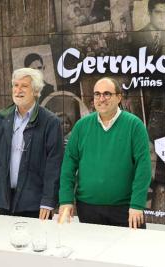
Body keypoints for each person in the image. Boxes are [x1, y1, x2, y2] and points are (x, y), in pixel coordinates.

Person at [58, 77, 151, 229]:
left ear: (119, 97)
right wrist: (66, 200)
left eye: (107, 94)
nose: (101, 99)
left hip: (126, 209)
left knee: (130, 252)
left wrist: (137, 204)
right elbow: (68, 165)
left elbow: (144, 168)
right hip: (88, 209)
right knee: (90, 252)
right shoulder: (81, 126)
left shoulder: (135, 125)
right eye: (97, 94)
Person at [0, 68, 63, 219]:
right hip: (6, 200)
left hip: (36, 203)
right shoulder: (0, 119)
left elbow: (54, 165)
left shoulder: (50, 122)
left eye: (24, 86)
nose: (18, 90)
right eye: (15, 85)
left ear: (35, 91)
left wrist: (48, 200)